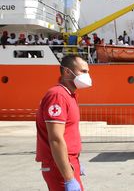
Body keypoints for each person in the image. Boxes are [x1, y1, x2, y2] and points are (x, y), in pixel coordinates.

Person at [36, 55, 92, 191]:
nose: (88, 75)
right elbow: (55, 139)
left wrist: (75, 163)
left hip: (68, 162)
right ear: (67, 72)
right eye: (83, 71)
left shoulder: (69, 95)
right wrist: (69, 177)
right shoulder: (58, 96)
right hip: (59, 166)